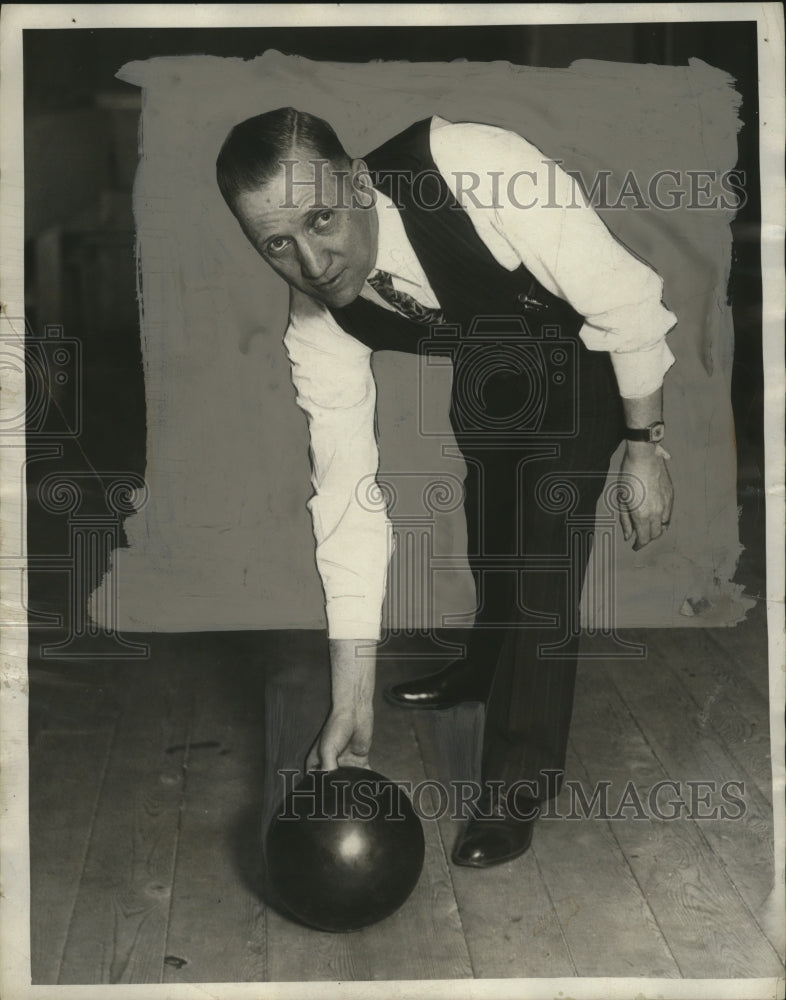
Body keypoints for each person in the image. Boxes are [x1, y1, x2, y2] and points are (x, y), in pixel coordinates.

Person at [216, 108, 675, 868]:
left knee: (539, 565)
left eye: (321, 217)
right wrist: (351, 700)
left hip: (585, 354)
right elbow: (346, 503)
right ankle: (480, 665)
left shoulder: (473, 163)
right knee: (492, 519)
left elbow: (625, 300)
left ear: (357, 181)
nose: (314, 261)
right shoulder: (316, 322)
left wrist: (644, 444)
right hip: (493, 367)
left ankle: (514, 789)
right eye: (277, 243)